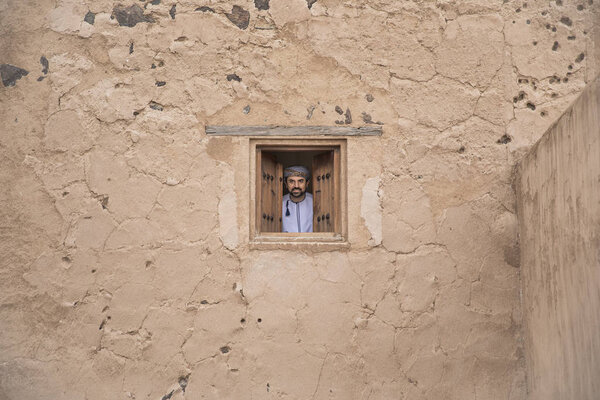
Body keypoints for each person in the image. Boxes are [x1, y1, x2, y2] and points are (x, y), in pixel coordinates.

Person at [282, 165, 313, 232]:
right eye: (291, 181)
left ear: (307, 183)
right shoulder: (279, 203)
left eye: (300, 181)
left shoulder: (315, 202)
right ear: (286, 184)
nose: (296, 186)